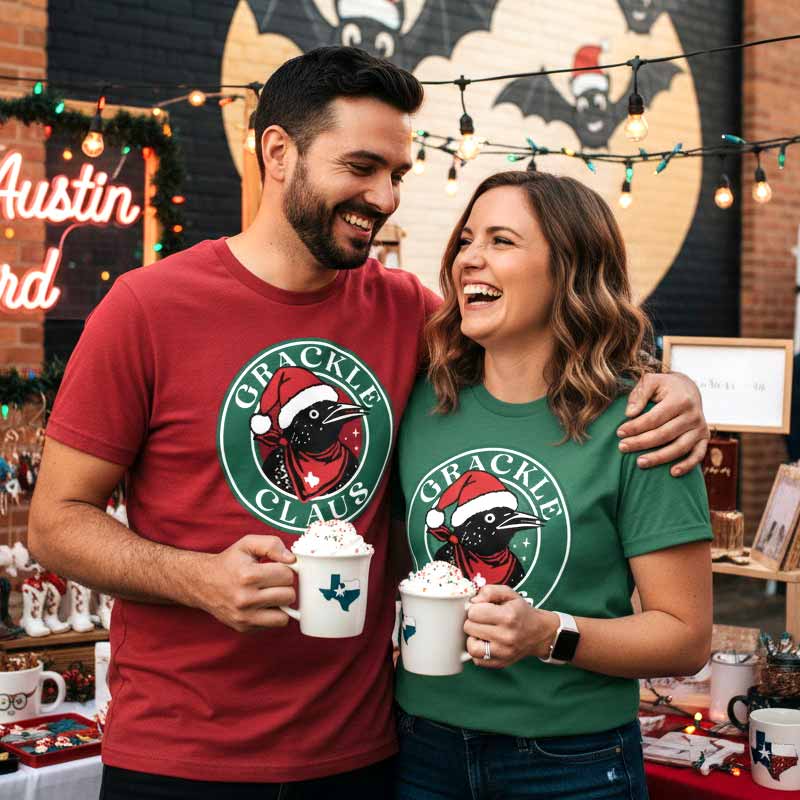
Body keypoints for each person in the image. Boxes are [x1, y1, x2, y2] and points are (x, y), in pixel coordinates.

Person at [28, 48, 707, 799]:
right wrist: (199, 579)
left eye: (397, 174)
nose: (384, 197)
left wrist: (672, 387)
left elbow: (543, 343)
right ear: (278, 153)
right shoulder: (146, 307)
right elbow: (55, 523)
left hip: (363, 754)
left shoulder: (411, 316)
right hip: (180, 754)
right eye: (361, 167)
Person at [393, 170, 713, 800]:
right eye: (466, 239)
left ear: (569, 270)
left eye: (502, 240)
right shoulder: (420, 399)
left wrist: (549, 634)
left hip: (572, 761)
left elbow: (684, 637)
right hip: (421, 746)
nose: (469, 258)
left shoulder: (640, 425)